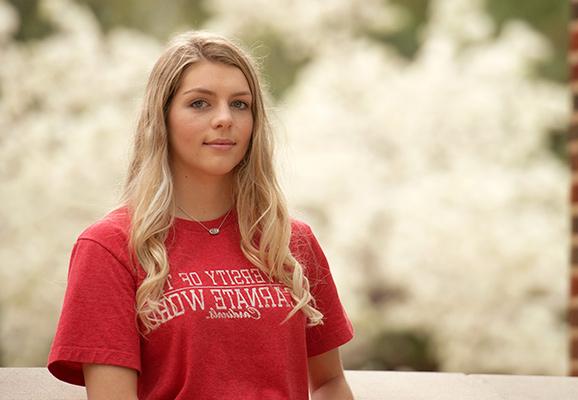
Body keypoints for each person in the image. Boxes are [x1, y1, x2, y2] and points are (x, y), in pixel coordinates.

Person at [47, 30, 355, 399]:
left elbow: (329, 382)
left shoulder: (290, 241)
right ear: (162, 118)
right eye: (200, 104)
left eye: (240, 104)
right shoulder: (110, 247)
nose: (225, 118)